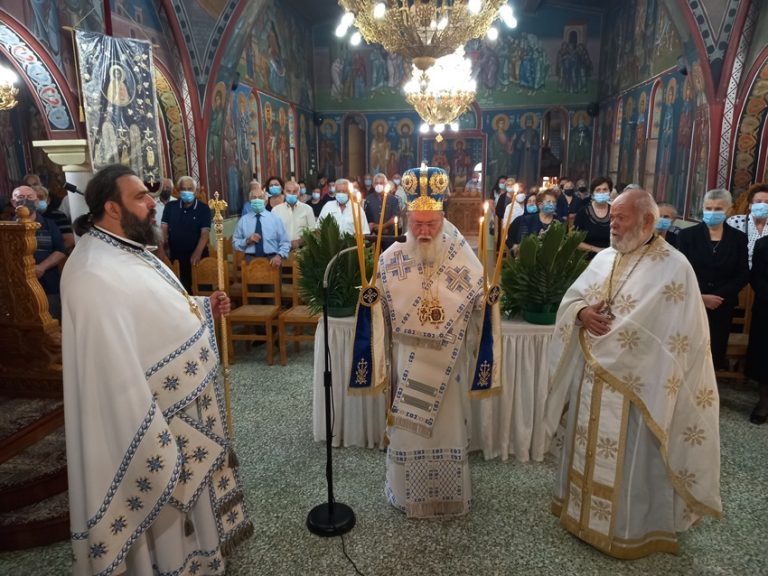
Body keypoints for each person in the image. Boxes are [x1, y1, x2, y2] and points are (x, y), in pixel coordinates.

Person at [62, 164, 252, 576]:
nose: (153, 205)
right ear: (112, 207)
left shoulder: (125, 247)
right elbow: (110, 367)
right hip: (151, 420)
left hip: (180, 408)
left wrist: (201, 307)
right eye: (141, 198)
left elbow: (154, 313)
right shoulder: (93, 272)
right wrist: (149, 430)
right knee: (164, 515)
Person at [544, 188, 722, 559]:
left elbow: (676, 337)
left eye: (621, 217)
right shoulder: (605, 258)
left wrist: (619, 346)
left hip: (638, 389)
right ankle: (579, 515)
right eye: (612, 215)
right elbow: (573, 298)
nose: (613, 222)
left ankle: (630, 530)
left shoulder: (674, 267)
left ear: (647, 221)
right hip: (593, 379)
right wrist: (581, 314)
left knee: (630, 463)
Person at [378, 166, 487, 517]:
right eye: (417, 224)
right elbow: (379, 306)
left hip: (447, 363)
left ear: (443, 218)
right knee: (407, 431)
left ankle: (448, 495)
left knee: (447, 426)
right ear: (407, 218)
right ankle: (407, 495)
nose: (424, 232)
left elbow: (478, 295)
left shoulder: (461, 255)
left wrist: (489, 299)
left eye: (431, 224)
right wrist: (370, 300)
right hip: (407, 358)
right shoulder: (390, 258)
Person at [677, 189, 749, 370]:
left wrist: (717, 296)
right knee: (689, 350)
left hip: (722, 305)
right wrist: (701, 296)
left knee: (714, 352)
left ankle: (709, 393)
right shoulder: (687, 236)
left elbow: (742, 274)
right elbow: (680, 271)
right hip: (692, 301)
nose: (712, 212)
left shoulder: (738, 238)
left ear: (728, 210)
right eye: (708, 208)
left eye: (718, 209)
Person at [11, 185, 66, 319]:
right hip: (17, 288)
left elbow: (60, 251)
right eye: (20, 197)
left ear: (36, 201)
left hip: (48, 284)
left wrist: (42, 267)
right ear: (13, 202)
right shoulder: (6, 227)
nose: (25, 201)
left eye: (30, 197)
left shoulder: (49, 224)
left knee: (52, 323)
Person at [161, 175, 211, 291]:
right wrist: (164, 246)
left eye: (190, 189)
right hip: (177, 257)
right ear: (179, 191)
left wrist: (197, 252)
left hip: (198, 256)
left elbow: (205, 233)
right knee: (181, 291)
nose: (186, 192)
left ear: (195, 190)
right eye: (184, 189)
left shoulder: (203, 208)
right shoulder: (170, 207)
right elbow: (163, 227)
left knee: (202, 290)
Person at [232, 183, 290, 267]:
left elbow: (285, 242)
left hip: (273, 259)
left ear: (266, 201)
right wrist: (247, 241)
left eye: (260, 198)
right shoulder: (243, 220)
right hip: (250, 260)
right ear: (250, 201)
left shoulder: (275, 219)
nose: (257, 200)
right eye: (254, 198)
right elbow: (235, 243)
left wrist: (279, 256)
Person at [747, 236, 768, 424]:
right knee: (765, 359)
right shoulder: (763, 244)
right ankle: (763, 402)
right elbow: (756, 277)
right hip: (766, 308)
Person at [726, 183, 768, 268]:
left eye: (767, 202)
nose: (763, 205)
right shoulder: (735, 222)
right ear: (750, 205)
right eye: (758, 201)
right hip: (736, 270)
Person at [573, 176, 612, 258]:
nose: (601, 192)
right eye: (598, 190)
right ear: (592, 193)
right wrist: (596, 249)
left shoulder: (615, 212)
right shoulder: (583, 212)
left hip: (610, 259)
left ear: (610, 192)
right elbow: (575, 241)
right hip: (587, 259)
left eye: (605, 190)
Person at [272, 180, 316, 250]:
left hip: (303, 250)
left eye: (295, 191)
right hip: (282, 250)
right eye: (288, 191)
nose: (291, 194)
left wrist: (300, 242)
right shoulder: (276, 210)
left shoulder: (307, 209)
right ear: (284, 192)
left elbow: (313, 231)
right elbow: (272, 233)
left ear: (299, 193)